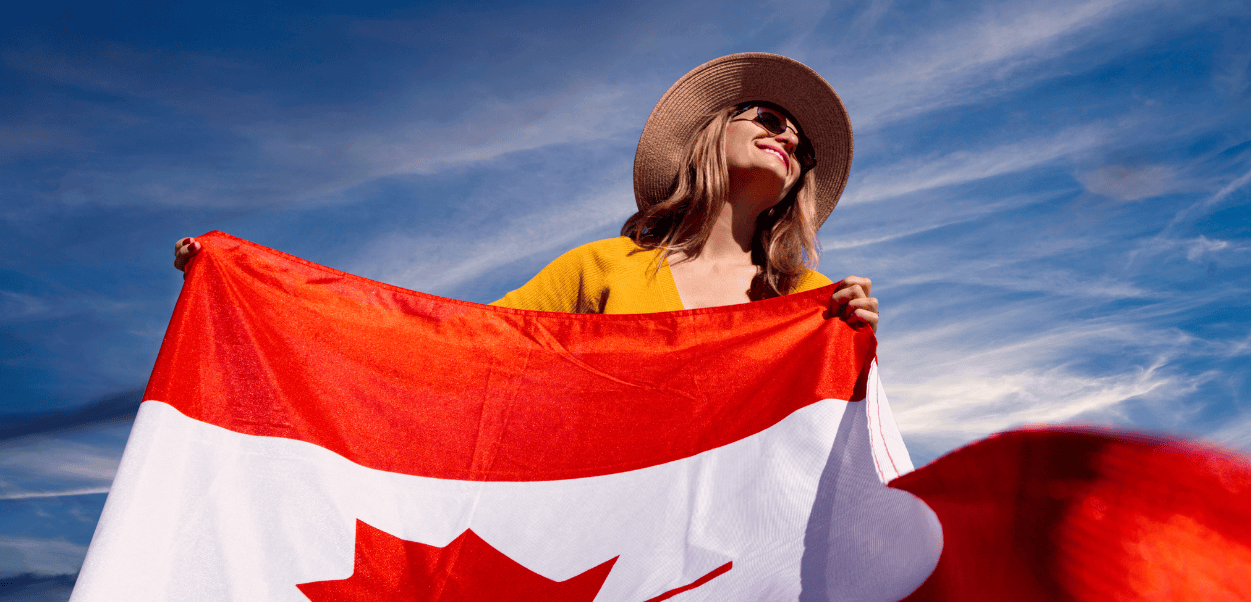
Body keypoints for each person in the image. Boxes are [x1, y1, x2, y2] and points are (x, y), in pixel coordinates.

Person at [176, 53, 878, 329]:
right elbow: (460, 342)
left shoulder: (807, 297)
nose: (788, 140)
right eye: (771, 119)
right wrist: (255, 287)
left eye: (802, 148)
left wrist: (852, 348)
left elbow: (832, 451)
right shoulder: (601, 269)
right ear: (709, 134)